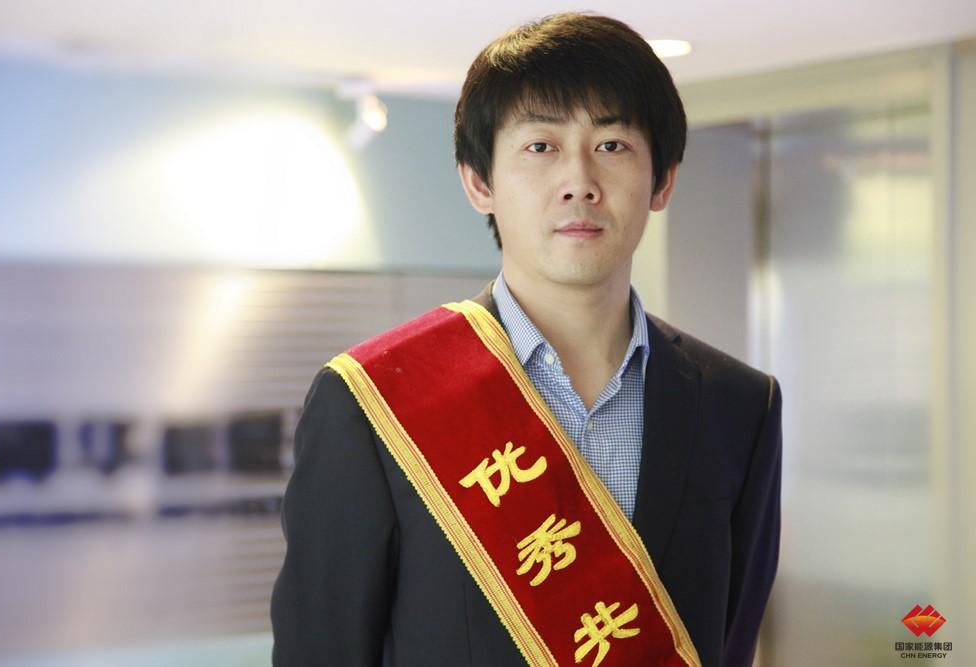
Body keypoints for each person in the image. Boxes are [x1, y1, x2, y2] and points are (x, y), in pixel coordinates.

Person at [271, 12, 781, 667]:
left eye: (612, 145)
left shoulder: (739, 405)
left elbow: (730, 644)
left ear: (663, 181)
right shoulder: (371, 403)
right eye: (541, 147)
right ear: (479, 182)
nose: (579, 182)